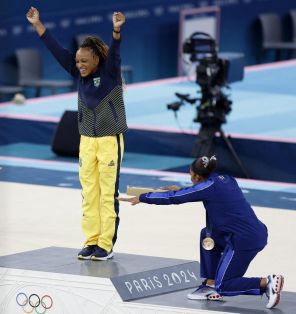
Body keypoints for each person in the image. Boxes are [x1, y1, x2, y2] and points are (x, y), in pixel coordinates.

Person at [26, 7, 128, 261]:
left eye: (85, 61)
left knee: (107, 194)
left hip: (109, 140)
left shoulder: (110, 74)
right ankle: (91, 240)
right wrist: (38, 24)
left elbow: (115, 53)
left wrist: (116, 30)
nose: (79, 65)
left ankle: (106, 244)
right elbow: (56, 49)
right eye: (78, 62)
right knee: (88, 192)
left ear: (97, 60)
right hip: (87, 141)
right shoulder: (78, 74)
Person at [119, 156, 284, 309]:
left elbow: (173, 198)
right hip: (248, 232)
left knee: (225, 285)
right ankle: (210, 283)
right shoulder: (226, 179)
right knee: (207, 234)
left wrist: (142, 198)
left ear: (197, 176)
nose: (190, 176)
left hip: (244, 239)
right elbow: (204, 191)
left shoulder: (207, 187)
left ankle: (267, 282)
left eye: (190, 174)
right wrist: (185, 189)